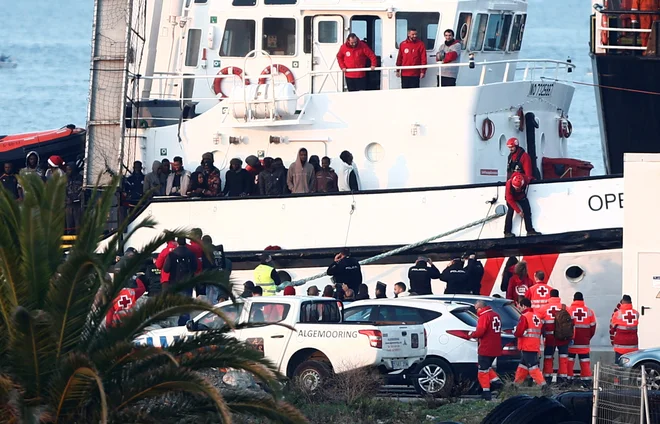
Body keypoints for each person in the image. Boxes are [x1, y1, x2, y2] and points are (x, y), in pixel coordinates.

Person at [468, 300, 503, 400]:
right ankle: (497, 382)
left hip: (486, 347)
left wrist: (471, 334)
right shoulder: (496, 315)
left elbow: (480, 332)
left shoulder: (484, 317)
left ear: (480, 308)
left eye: (476, 309)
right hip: (495, 348)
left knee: (482, 371)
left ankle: (486, 392)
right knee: (487, 367)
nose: (476, 312)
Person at [513, 297, 549, 390]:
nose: (519, 309)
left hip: (527, 345)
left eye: (520, 307)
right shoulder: (536, 316)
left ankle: (543, 386)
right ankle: (515, 384)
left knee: (533, 367)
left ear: (524, 306)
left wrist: (515, 332)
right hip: (534, 345)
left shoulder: (524, 316)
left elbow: (519, 332)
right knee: (523, 366)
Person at [163, 237, 199, 325]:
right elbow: (195, 267)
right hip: (187, 283)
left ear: (177, 243)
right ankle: (185, 324)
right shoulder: (191, 254)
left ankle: (174, 325)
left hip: (174, 283)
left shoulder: (172, 254)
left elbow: (166, 269)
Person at [539, 289, 572, 384]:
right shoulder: (565, 307)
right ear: (558, 296)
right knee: (563, 358)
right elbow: (572, 323)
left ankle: (547, 378)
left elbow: (538, 324)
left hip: (550, 338)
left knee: (548, 357)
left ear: (550, 296)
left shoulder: (544, 308)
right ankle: (563, 379)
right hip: (563, 337)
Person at [567, 292, 597, 385]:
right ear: (583, 299)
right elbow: (593, 327)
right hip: (584, 342)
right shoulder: (589, 311)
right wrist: (587, 337)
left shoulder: (569, 310)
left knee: (569, 361)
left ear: (573, 299)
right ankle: (586, 380)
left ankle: (568, 379)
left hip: (571, 341)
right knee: (585, 362)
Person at [504, 172, 541, 238]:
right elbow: (510, 200)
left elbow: (529, 177)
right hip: (511, 197)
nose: (516, 189)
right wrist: (519, 211)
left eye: (517, 188)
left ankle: (530, 230)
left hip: (521, 196)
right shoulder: (508, 184)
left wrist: (534, 179)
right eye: (515, 188)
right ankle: (507, 232)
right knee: (510, 211)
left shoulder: (525, 179)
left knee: (527, 210)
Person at [610, 294, 639, 362]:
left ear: (622, 302)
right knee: (632, 364)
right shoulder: (636, 313)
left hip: (620, 346)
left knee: (619, 366)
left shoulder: (617, 314)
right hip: (633, 345)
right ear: (631, 302)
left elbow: (612, 329)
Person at [65, 164, 83, 234]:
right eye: (67, 170)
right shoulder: (65, 179)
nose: (67, 171)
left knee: (78, 225)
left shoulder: (80, 178)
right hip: (68, 205)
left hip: (78, 204)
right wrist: (66, 199)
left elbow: (83, 190)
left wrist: (77, 198)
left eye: (69, 169)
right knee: (69, 225)